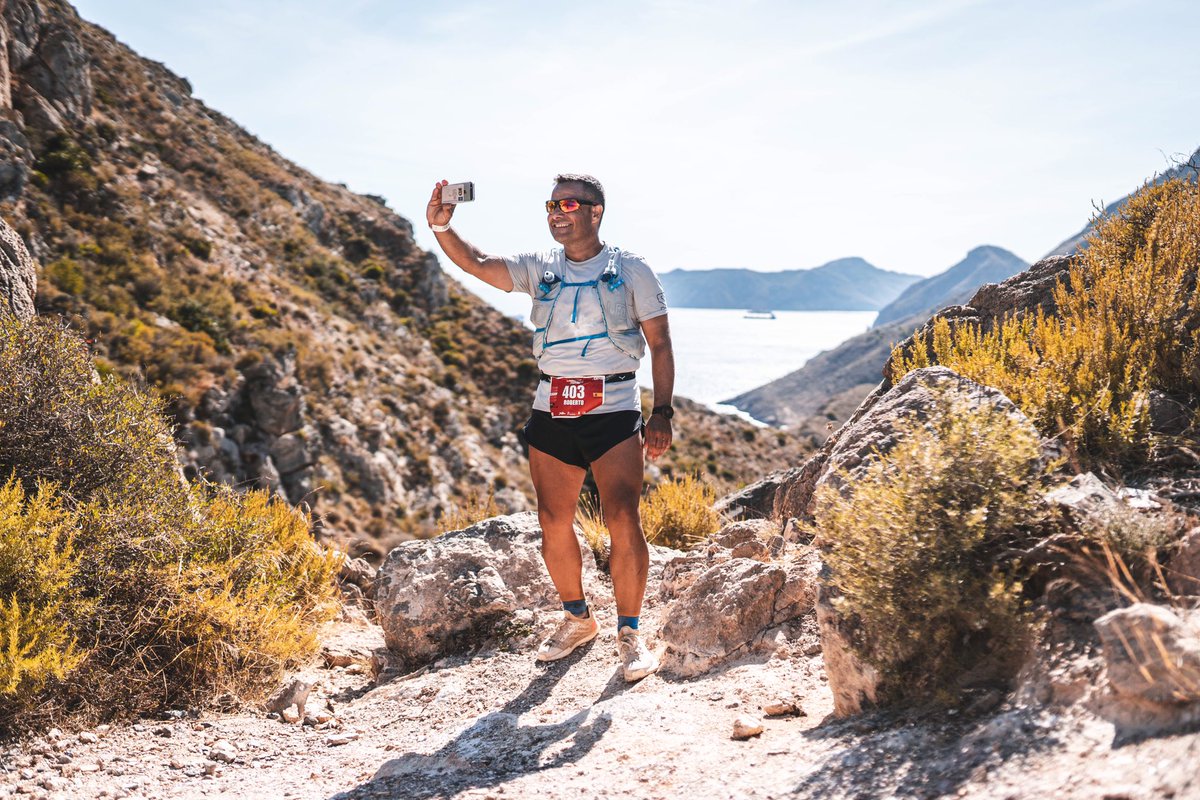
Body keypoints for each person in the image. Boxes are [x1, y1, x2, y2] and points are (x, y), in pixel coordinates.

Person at [426, 173, 675, 682]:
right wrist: (442, 228)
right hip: (552, 406)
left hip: (614, 407)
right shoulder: (540, 268)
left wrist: (663, 412)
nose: (556, 212)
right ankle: (578, 620)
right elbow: (477, 264)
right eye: (550, 204)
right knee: (553, 521)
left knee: (623, 518)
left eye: (567, 204)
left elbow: (662, 343)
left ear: (595, 211)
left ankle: (630, 634)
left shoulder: (631, 269)